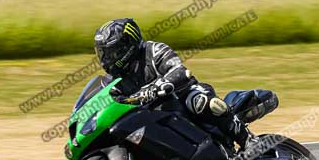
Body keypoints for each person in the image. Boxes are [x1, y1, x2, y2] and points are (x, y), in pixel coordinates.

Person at [94, 17, 251, 150]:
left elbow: (180, 71)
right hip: (149, 118)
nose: (106, 59)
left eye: (112, 53)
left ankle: (248, 140)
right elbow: (108, 104)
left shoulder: (154, 51)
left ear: (128, 45)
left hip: (181, 97)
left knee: (202, 102)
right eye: (103, 54)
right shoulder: (112, 81)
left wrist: (157, 87)